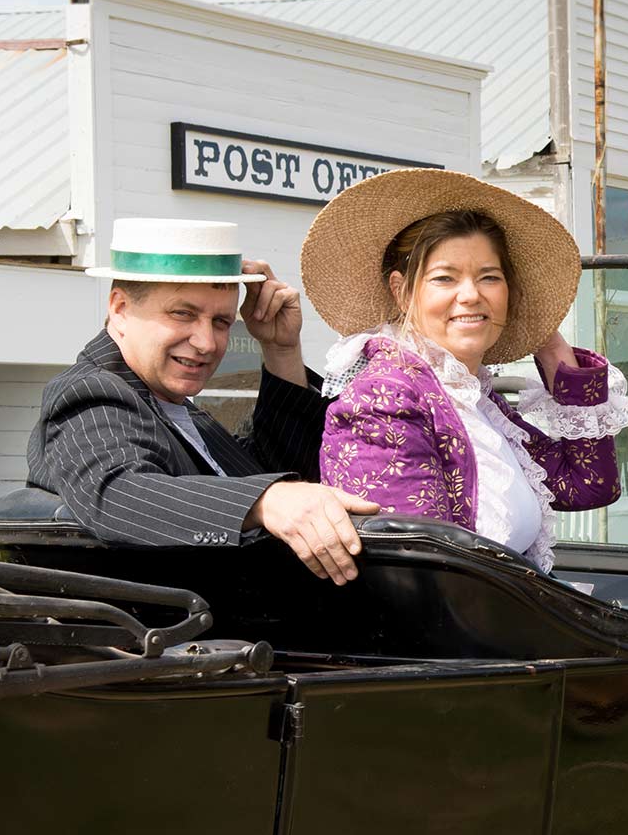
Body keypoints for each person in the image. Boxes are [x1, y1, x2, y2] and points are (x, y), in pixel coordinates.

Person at [304, 169, 628, 572]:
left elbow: (589, 486)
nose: (472, 295)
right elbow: (424, 572)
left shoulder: (473, 397)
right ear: (401, 291)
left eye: (490, 278)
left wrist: (550, 343)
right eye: (445, 278)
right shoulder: (385, 399)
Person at [27, 218, 380, 585]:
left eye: (222, 322)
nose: (207, 343)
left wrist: (281, 349)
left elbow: (287, 471)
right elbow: (118, 492)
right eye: (183, 313)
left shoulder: (181, 414)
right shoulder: (91, 394)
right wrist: (266, 502)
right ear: (120, 308)